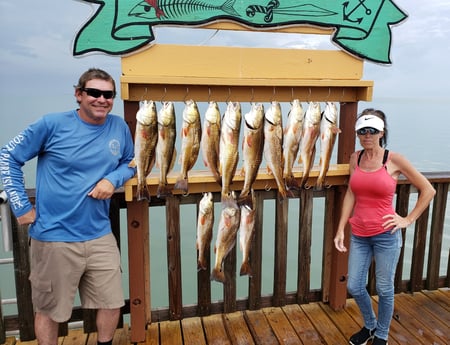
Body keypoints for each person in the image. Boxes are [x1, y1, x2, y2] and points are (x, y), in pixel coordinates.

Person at [0, 68, 136, 345]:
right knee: (50, 311)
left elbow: (130, 163)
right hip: (54, 237)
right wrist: (21, 206)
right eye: (94, 92)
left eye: (108, 94)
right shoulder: (51, 124)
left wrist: (113, 179)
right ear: (79, 94)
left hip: (100, 234)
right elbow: (8, 157)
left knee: (111, 303)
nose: (101, 99)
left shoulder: (119, 127)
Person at [333, 109, 435, 345]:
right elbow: (350, 193)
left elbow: (428, 190)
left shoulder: (394, 159)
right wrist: (341, 228)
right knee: (355, 286)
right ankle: (370, 325)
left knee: (384, 288)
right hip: (359, 234)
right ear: (357, 133)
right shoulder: (355, 158)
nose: (367, 135)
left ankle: (382, 333)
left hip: (386, 236)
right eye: (362, 131)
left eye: (372, 130)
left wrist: (407, 219)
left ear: (381, 132)